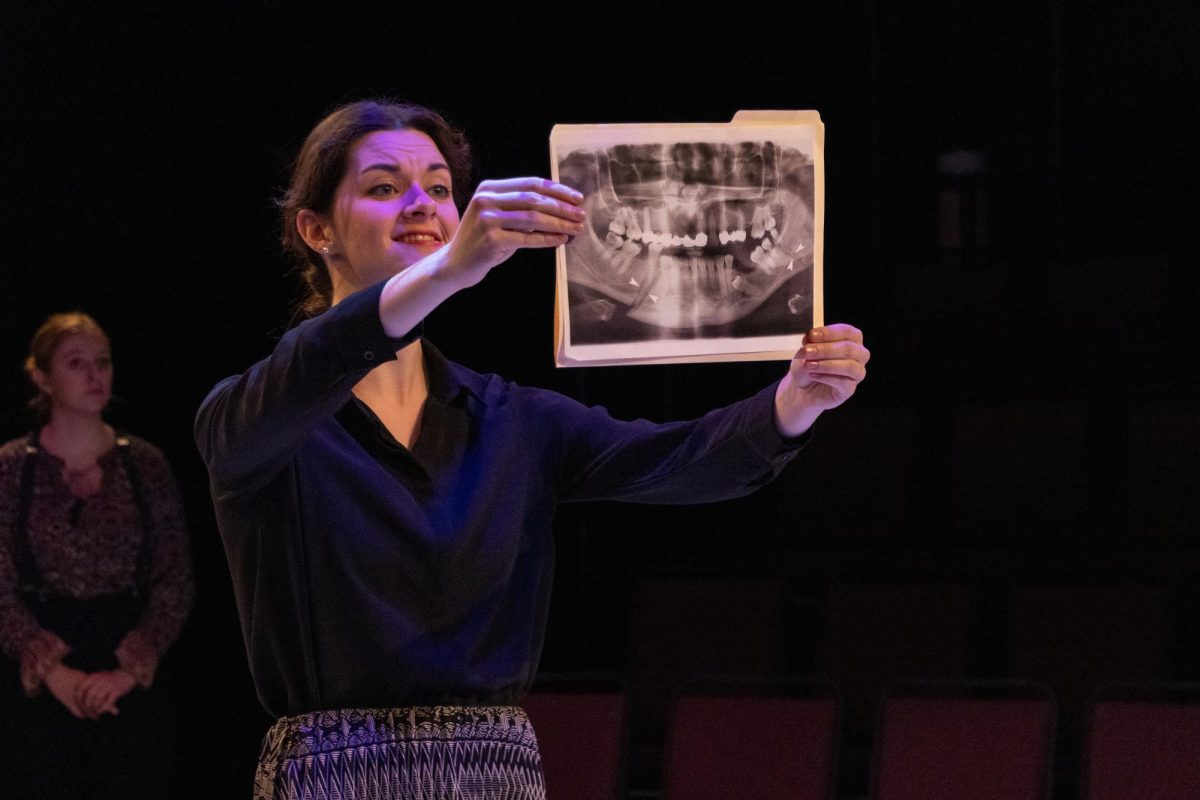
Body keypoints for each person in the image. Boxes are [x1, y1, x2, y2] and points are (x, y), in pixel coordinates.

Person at [194, 99, 869, 800]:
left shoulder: (512, 420)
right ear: (316, 230)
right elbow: (315, 359)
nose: (421, 205)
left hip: (495, 773)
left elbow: (680, 458)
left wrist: (796, 399)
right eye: (385, 187)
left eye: (439, 187)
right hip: (337, 775)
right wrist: (448, 272)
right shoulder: (253, 417)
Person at [0, 312, 194, 798]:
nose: (95, 375)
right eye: (76, 363)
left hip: (125, 667)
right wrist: (53, 673)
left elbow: (174, 576)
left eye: (102, 362)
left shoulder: (143, 462)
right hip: (44, 677)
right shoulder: (11, 468)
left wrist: (127, 672)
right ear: (43, 377)